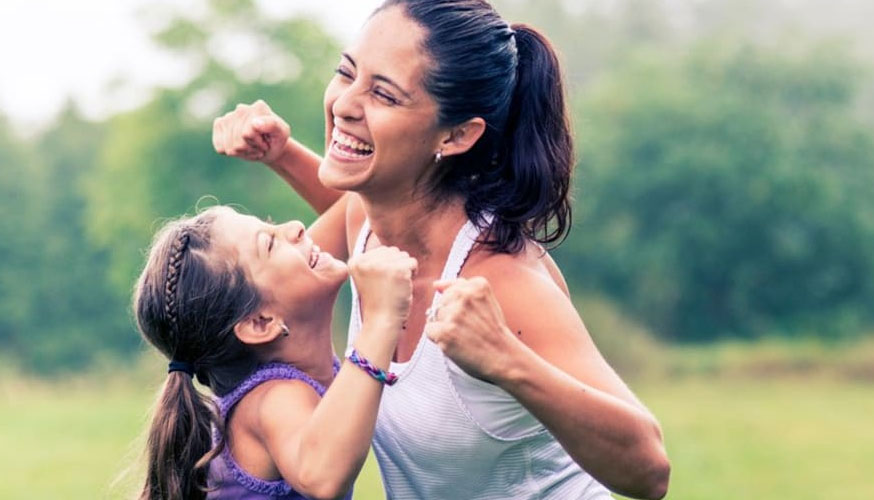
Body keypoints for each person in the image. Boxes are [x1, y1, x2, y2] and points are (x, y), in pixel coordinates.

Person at [212, 1, 671, 498]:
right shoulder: (366, 222)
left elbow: (649, 469)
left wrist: (505, 359)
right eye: (346, 73)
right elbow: (297, 264)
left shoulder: (501, 282)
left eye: (384, 94)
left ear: (456, 135)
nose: (344, 103)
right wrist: (281, 154)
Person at [133, 205, 418, 500]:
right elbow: (322, 475)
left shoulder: (286, 299)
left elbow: (358, 203)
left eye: (271, 223)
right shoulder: (273, 399)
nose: (296, 226)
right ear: (260, 323)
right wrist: (381, 319)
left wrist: (285, 157)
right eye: (269, 242)